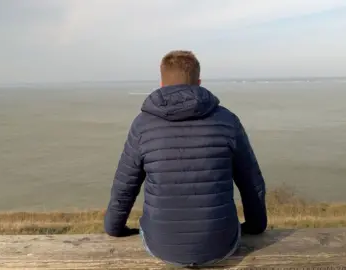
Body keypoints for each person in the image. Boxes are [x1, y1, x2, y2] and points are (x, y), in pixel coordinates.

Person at [104, 50, 267, 267]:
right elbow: (251, 182)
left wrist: (114, 229)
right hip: (221, 245)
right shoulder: (227, 120)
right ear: (198, 82)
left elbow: (125, 186)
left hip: (161, 247)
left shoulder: (142, 125)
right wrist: (255, 227)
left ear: (162, 83)